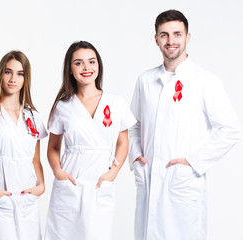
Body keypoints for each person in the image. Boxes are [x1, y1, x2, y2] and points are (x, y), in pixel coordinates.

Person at [128, 9, 241, 240]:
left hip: (182, 183)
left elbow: (230, 129)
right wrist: (136, 157)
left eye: (177, 34)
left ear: (188, 37)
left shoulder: (205, 81)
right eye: (164, 35)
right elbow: (133, 125)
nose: (171, 41)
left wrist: (193, 162)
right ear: (156, 39)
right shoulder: (145, 81)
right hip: (149, 180)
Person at [44, 41, 136, 240]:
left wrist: (113, 172)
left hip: (100, 181)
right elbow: (52, 147)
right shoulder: (63, 106)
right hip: (71, 181)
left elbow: (123, 142)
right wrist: (58, 172)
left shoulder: (115, 102)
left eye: (91, 62)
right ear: (70, 69)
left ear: (98, 66)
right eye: (79, 63)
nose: (86, 67)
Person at [0, 50, 48, 240]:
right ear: (0, 75)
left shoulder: (32, 115)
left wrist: (41, 186)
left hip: (28, 198)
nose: (13, 78)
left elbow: (35, 159)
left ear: (25, 79)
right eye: (8, 72)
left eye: (20, 74)